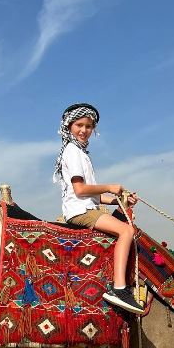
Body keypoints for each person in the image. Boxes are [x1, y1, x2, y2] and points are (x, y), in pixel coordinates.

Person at [53, 103, 144, 314]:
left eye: (88, 126)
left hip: (87, 207)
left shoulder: (81, 153)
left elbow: (92, 195)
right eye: (79, 125)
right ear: (69, 126)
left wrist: (119, 200)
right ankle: (119, 289)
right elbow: (80, 189)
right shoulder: (72, 151)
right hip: (80, 211)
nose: (84, 130)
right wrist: (111, 187)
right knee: (126, 230)